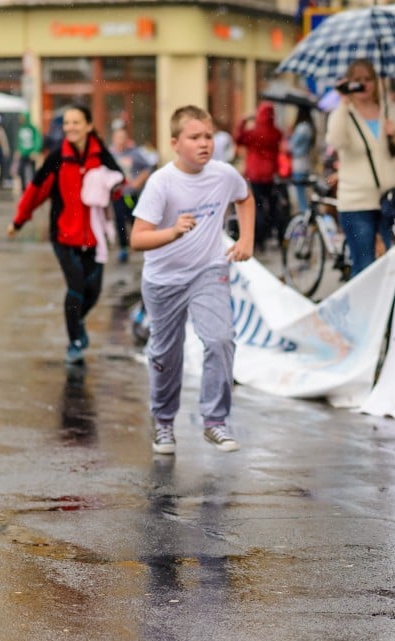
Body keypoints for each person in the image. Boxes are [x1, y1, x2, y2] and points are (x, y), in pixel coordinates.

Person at [129, 105, 255, 455]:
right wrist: (173, 232)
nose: (204, 144)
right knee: (166, 355)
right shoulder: (161, 183)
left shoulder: (224, 174)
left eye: (208, 137)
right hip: (164, 279)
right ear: (175, 143)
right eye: (195, 137)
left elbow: (245, 198)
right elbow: (138, 239)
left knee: (220, 340)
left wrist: (246, 239)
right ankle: (164, 422)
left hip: (208, 270)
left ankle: (215, 421)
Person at [8, 104, 123, 364]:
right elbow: (36, 191)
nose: (70, 127)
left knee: (93, 290)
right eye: (67, 123)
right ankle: (74, 342)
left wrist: (113, 188)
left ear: (89, 126)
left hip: (94, 238)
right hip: (63, 236)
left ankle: (78, 320)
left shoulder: (101, 154)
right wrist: (19, 220)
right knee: (76, 287)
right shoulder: (57, 157)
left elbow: (118, 180)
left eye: (76, 122)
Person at [325, 59, 395, 277]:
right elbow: (335, 140)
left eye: (368, 79)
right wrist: (343, 102)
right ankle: (365, 310)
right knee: (364, 267)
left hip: (391, 199)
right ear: (349, 83)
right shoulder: (343, 113)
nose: (364, 85)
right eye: (357, 81)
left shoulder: (388, 110)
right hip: (356, 202)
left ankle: (389, 311)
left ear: (376, 82)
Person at [235, 101, 284, 252]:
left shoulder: (254, 133)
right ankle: (269, 233)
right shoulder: (276, 133)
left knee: (257, 206)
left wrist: (243, 120)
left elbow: (237, 137)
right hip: (270, 174)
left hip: (255, 174)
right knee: (269, 205)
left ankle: (258, 238)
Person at [109, 120, 156, 264]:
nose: (120, 141)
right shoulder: (110, 153)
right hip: (116, 194)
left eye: (122, 138)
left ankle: (142, 242)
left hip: (129, 194)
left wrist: (137, 181)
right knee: (119, 220)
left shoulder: (134, 153)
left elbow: (147, 168)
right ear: (113, 139)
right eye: (118, 138)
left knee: (132, 218)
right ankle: (123, 248)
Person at [288, 106, 316, 213]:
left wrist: (290, 136)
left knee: (300, 194)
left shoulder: (302, 128)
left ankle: (305, 215)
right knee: (304, 192)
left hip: (299, 164)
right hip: (306, 163)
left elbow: (292, 146)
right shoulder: (309, 127)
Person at [15, 112, 43, 192]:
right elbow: (20, 141)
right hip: (23, 153)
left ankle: (34, 189)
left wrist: (35, 151)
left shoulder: (33, 128)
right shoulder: (21, 129)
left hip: (31, 154)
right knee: (21, 171)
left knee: (32, 172)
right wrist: (18, 150)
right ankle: (24, 189)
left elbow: (37, 140)